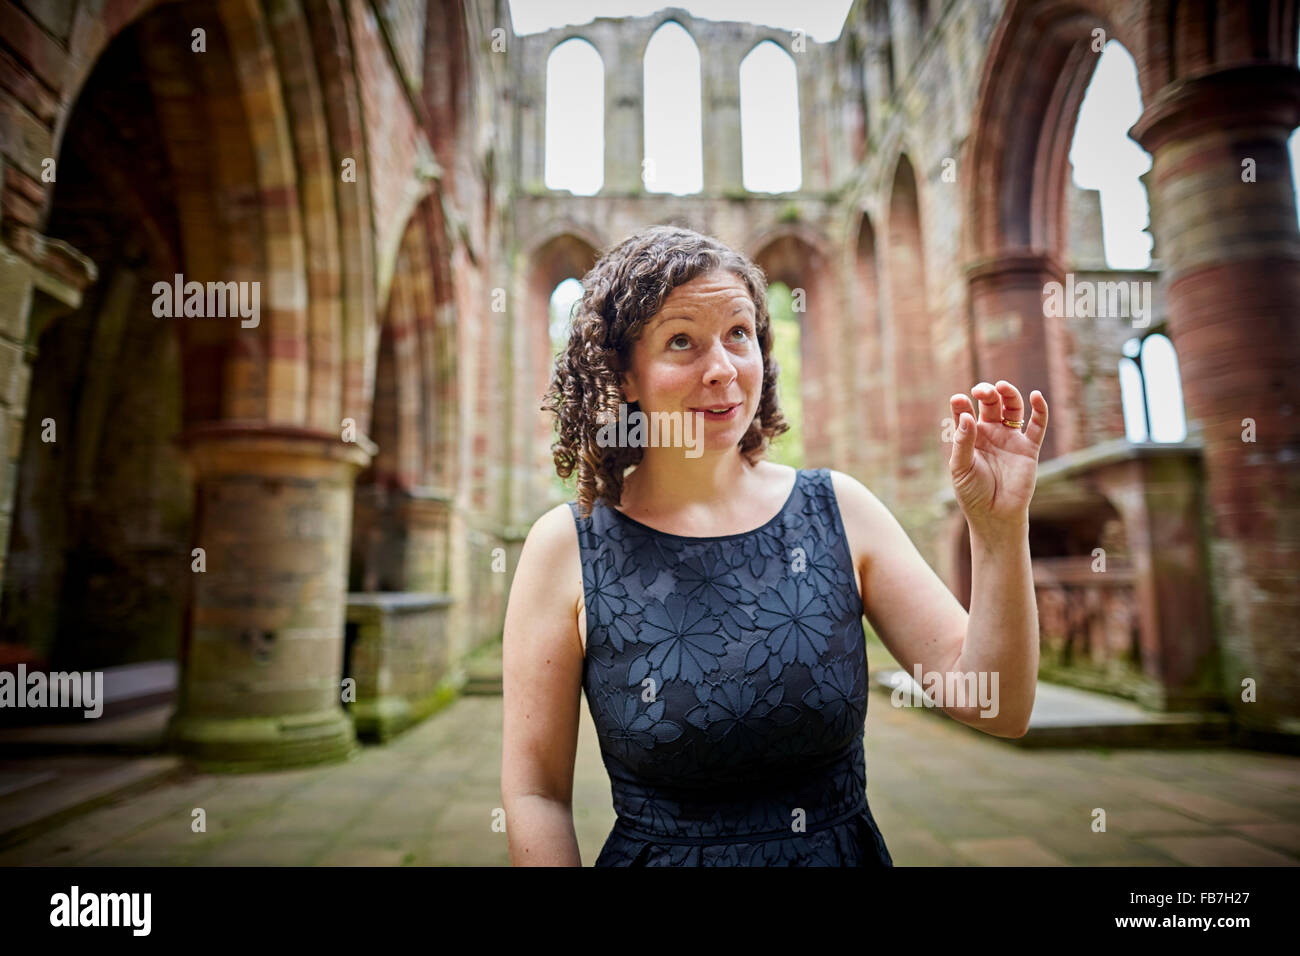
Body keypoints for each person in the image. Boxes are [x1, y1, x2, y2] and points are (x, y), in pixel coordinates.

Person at [500, 225, 1048, 866]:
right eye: (682, 342)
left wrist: (1000, 528)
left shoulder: (839, 509)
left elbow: (999, 706)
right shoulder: (567, 547)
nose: (723, 369)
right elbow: (536, 792)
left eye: (738, 334)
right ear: (624, 376)